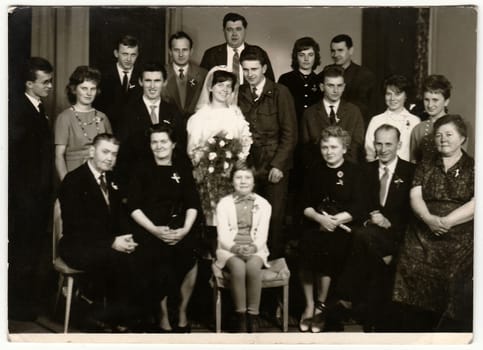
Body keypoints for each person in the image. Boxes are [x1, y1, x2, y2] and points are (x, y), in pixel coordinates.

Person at [393, 114, 474, 331]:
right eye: (438, 135)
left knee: (454, 269)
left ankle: (446, 328)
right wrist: (429, 219)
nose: (443, 139)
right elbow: (415, 196)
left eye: (449, 134)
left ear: (462, 138)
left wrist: (447, 221)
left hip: (459, 230)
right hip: (424, 226)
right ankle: (414, 327)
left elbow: (477, 203)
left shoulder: (474, 167)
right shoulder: (425, 165)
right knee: (411, 262)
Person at [334, 124, 415, 331]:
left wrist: (389, 223)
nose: (383, 148)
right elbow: (359, 206)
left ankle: (345, 296)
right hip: (370, 233)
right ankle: (374, 317)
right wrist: (371, 218)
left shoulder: (411, 171)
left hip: (397, 235)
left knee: (360, 238)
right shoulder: (365, 170)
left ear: (399, 145)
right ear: (373, 144)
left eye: (389, 143)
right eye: (379, 143)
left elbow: (412, 213)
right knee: (364, 237)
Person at [58, 133, 139, 331]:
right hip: (76, 245)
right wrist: (111, 241)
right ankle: (96, 315)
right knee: (114, 258)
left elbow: (120, 215)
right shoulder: (74, 180)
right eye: (105, 152)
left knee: (138, 255)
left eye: (114, 154)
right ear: (92, 151)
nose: (110, 158)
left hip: (104, 243)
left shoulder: (111, 178)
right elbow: (76, 226)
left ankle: (118, 316)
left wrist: (127, 238)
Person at [127, 124, 200, 333]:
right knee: (160, 258)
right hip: (149, 228)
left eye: (163, 142)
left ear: (173, 144)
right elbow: (132, 206)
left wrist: (185, 230)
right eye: (154, 142)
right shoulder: (141, 168)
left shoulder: (182, 168)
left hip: (178, 227)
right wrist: (155, 230)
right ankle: (163, 315)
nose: (159, 146)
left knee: (191, 254)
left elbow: (193, 202)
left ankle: (182, 311)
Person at [298, 126, 364, 333]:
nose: (329, 151)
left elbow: (360, 206)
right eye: (325, 147)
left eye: (334, 147)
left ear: (344, 148)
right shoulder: (313, 170)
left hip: (341, 227)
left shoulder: (354, 172)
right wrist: (319, 218)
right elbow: (303, 204)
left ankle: (321, 305)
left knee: (329, 249)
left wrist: (335, 220)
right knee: (306, 245)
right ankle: (309, 305)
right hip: (315, 224)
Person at [238, 46, 297, 260]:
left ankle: (273, 267)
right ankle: (253, 267)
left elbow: (290, 134)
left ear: (264, 68)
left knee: (274, 219)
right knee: (249, 217)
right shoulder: (240, 93)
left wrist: (278, 165)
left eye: (254, 69)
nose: (250, 74)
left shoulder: (280, 92)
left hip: (274, 167)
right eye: (245, 69)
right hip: (248, 168)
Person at [8, 57, 54, 321]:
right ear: (29, 84)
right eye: (45, 82)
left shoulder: (37, 107)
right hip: (26, 198)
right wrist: (27, 196)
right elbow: (17, 159)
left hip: (35, 197)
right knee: (23, 251)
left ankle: (23, 304)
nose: (50, 86)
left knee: (30, 251)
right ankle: (18, 308)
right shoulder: (19, 111)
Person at [187, 68, 252, 226]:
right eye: (220, 85)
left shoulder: (236, 114)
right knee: (212, 220)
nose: (225, 90)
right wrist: (210, 166)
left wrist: (237, 162)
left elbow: (245, 141)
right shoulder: (200, 117)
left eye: (229, 86)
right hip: (209, 178)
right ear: (210, 87)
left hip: (233, 175)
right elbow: (193, 149)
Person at [215, 163, 272, 332]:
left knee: (253, 267)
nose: (243, 181)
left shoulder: (264, 204)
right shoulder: (223, 204)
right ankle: (240, 316)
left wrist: (254, 247)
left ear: (254, 182)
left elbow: (263, 233)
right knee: (239, 268)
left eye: (248, 177)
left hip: (255, 248)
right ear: (232, 181)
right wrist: (235, 248)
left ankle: (253, 316)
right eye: (238, 177)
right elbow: (223, 234)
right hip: (230, 249)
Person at [116, 62, 186, 189]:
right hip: (138, 180)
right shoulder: (128, 112)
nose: (152, 86)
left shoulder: (173, 111)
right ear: (140, 82)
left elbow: (180, 146)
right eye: (148, 80)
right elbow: (123, 151)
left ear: (164, 82)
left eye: (157, 81)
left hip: (168, 179)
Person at [55, 66, 112, 180]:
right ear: (74, 89)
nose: (89, 93)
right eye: (84, 88)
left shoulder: (102, 117)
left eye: (93, 88)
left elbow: (111, 151)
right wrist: (67, 185)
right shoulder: (64, 117)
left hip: (100, 177)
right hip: (74, 178)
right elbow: (59, 156)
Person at [301, 65, 365, 166]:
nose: (335, 90)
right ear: (322, 87)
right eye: (330, 85)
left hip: (347, 170)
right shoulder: (310, 113)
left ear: (344, 87)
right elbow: (306, 148)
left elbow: (357, 145)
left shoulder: (354, 111)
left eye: (339, 86)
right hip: (317, 170)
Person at [200, 12, 275, 84]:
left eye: (238, 29)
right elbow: (202, 83)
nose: (234, 34)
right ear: (224, 31)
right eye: (229, 30)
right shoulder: (211, 54)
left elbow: (270, 83)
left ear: (245, 30)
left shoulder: (259, 53)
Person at [364, 74, 420, 162]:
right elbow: (370, 153)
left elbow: (416, 155)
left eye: (398, 94)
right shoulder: (376, 120)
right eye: (388, 94)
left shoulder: (415, 121)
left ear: (406, 96)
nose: (392, 98)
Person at [94, 34, 142, 134]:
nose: (129, 59)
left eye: (133, 55)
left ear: (137, 55)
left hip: (135, 135)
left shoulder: (142, 76)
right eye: (125, 54)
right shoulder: (102, 76)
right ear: (116, 53)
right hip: (109, 133)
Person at [326, 34, 377, 125]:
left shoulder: (364, 75)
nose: (335, 54)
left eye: (340, 50)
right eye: (333, 51)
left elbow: (365, 108)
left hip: (353, 125)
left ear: (351, 50)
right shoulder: (326, 72)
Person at [164, 31, 208, 120]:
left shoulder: (203, 74)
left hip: (195, 127)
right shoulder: (161, 73)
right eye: (176, 50)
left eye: (185, 50)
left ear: (191, 51)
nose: (181, 54)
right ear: (170, 52)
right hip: (167, 127)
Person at [278, 37, 323, 122]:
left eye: (310, 55)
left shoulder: (320, 80)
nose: (306, 59)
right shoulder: (285, 79)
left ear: (315, 57)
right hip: (291, 128)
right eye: (302, 55)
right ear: (296, 57)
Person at [410, 74, 452, 163]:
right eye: (426, 100)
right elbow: (413, 161)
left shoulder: (455, 127)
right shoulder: (418, 129)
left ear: (446, 101)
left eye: (435, 100)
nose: (430, 105)